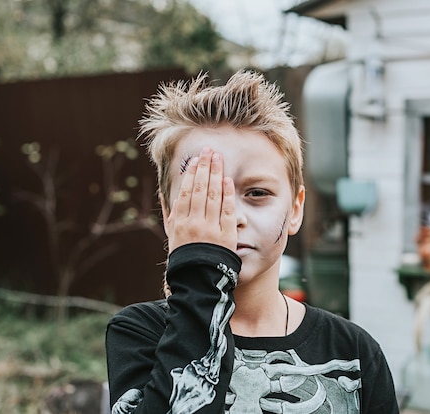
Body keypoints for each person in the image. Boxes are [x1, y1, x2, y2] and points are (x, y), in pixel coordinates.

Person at [105, 69, 399, 413]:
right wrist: (202, 275)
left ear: (295, 209)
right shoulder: (141, 333)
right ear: (170, 212)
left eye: (257, 193)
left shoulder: (355, 353)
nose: (232, 217)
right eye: (207, 195)